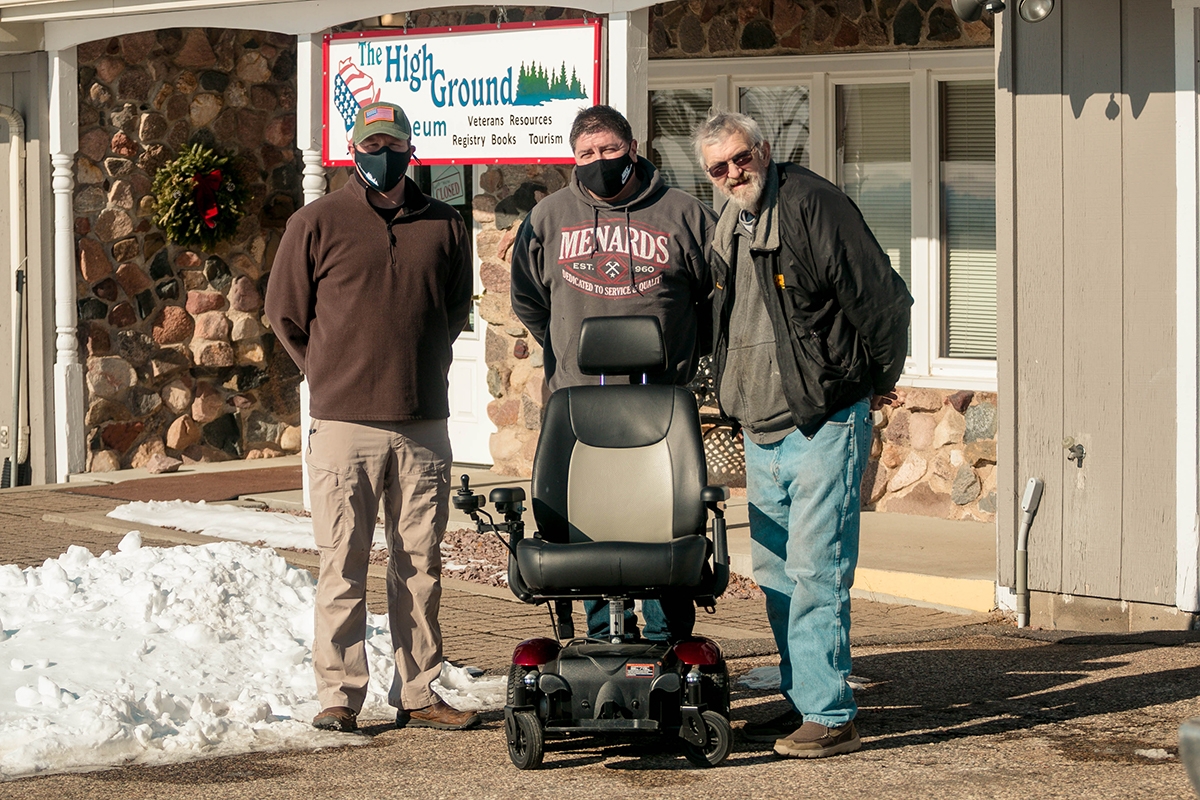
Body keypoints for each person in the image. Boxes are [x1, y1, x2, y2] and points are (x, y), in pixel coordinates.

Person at [693, 111, 912, 758]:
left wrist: (875, 380)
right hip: (760, 430)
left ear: (763, 149)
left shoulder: (815, 205)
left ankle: (830, 712)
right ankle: (801, 699)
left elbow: (884, 301)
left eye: (741, 157)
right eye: (719, 167)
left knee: (817, 570)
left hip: (822, 420)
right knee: (779, 575)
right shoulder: (731, 223)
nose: (735, 172)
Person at [265, 101, 478, 734]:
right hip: (343, 425)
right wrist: (327, 372)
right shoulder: (316, 221)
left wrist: (423, 368)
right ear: (351, 149)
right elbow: (285, 314)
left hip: (422, 423)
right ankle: (339, 693)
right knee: (343, 563)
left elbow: (455, 309)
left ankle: (418, 689)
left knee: (420, 566)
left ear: (410, 149)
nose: (380, 153)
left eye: (391, 143)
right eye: (369, 142)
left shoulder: (445, 224)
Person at [510, 105, 718, 642]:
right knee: (590, 533)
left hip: (661, 405)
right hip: (580, 405)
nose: (598, 162)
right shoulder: (547, 218)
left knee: (665, 533)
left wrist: (688, 352)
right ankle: (603, 648)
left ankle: (669, 651)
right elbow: (530, 300)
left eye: (609, 150)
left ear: (632, 146)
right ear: (572, 158)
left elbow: (715, 297)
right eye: (586, 154)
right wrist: (566, 349)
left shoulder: (683, 214)